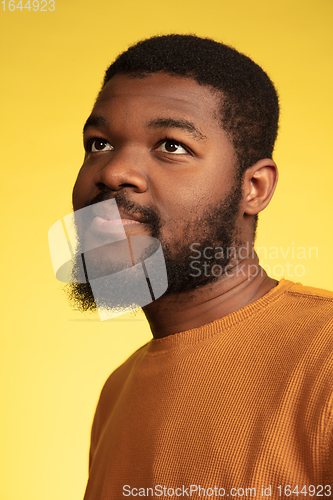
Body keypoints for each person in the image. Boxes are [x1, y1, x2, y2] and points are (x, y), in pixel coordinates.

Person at [68, 35, 333, 498]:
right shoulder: (117, 392)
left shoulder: (324, 358)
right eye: (99, 143)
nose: (112, 172)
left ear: (253, 187)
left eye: (172, 145)